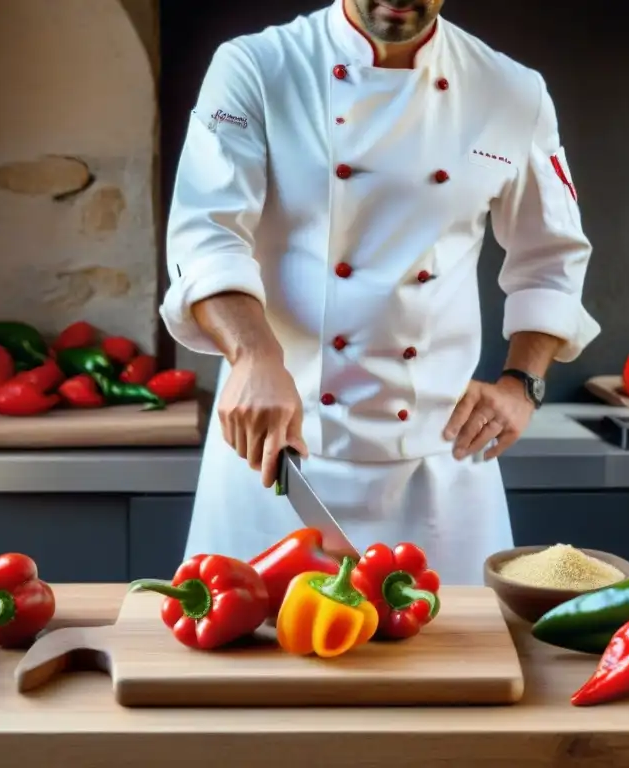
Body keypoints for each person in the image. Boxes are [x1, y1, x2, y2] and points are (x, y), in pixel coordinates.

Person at [159, 0, 600, 584]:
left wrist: (523, 382)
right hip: (275, 453)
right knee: (253, 663)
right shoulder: (258, 67)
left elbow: (552, 254)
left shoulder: (510, 90)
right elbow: (207, 234)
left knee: (454, 666)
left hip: (439, 467)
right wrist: (253, 355)